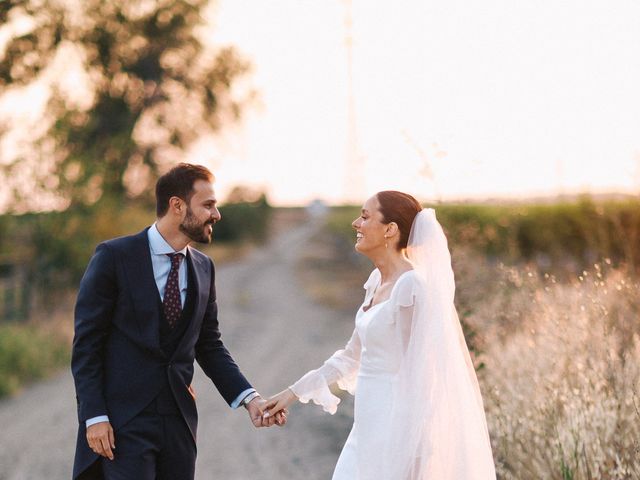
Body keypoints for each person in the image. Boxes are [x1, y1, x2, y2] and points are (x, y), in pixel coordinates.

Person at [71, 163, 284, 480]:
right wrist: (95, 416)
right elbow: (87, 345)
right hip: (122, 423)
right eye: (208, 205)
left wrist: (250, 399)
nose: (217, 214)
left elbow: (209, 345)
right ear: (177, 205)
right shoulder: (115, 257)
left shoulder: (203, 267)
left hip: (179, 425)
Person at [264, 191, 496, 479]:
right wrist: (291, 393)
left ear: (390, 230)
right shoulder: (376, 281)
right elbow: (350, 357)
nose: (355, 223)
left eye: (364, 216)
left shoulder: (411, 287)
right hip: (367, 427)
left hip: (397, 430)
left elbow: (427, 372)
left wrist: (418, 448)